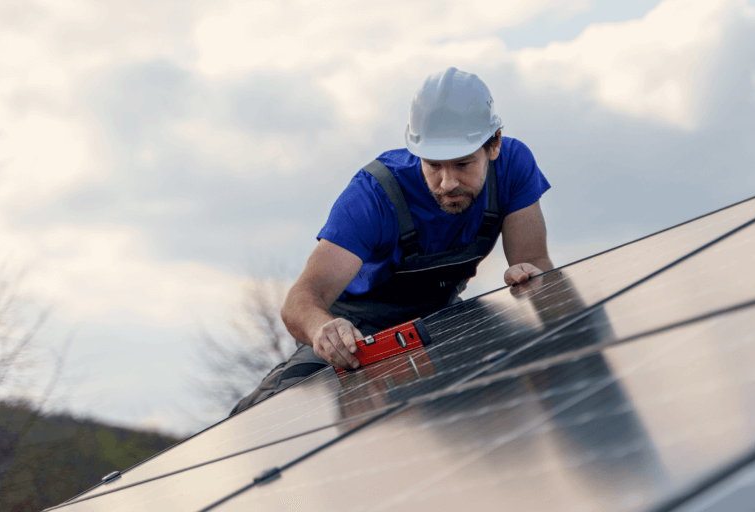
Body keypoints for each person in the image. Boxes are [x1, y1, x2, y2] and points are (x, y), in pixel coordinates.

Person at [230, 67, 553, 415]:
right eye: (434, 165)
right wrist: (323, 330)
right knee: (280, 409)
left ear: (494, 145)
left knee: (513, 374)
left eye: (462, 164)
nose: (447, 183)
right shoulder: (374, 195)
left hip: (438, 322)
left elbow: (536, 265)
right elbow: (299, 301)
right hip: (357, 336)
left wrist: (526, 277)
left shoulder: (514, 166)